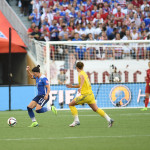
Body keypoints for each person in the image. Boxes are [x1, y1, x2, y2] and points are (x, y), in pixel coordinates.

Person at [66, 62, 114, 127]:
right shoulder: (84, 73)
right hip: (90, 95)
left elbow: (82, 79)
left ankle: (76, 121)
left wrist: (80, 88)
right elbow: (81, 84)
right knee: (95, 109)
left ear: (77, 67)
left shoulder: (80, 74)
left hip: (85, 95)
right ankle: (109, 119)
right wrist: (72, 86)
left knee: (71, 105)